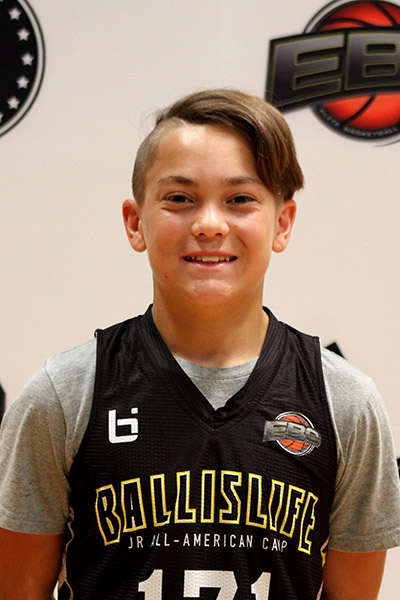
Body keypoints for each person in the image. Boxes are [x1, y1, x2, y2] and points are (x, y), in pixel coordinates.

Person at [0, 89, 399, 600]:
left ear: (282, 224)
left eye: (240, 199)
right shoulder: (63, 396)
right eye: (179, 199)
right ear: (135, 223)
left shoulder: (345, 403)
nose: (209, 224)